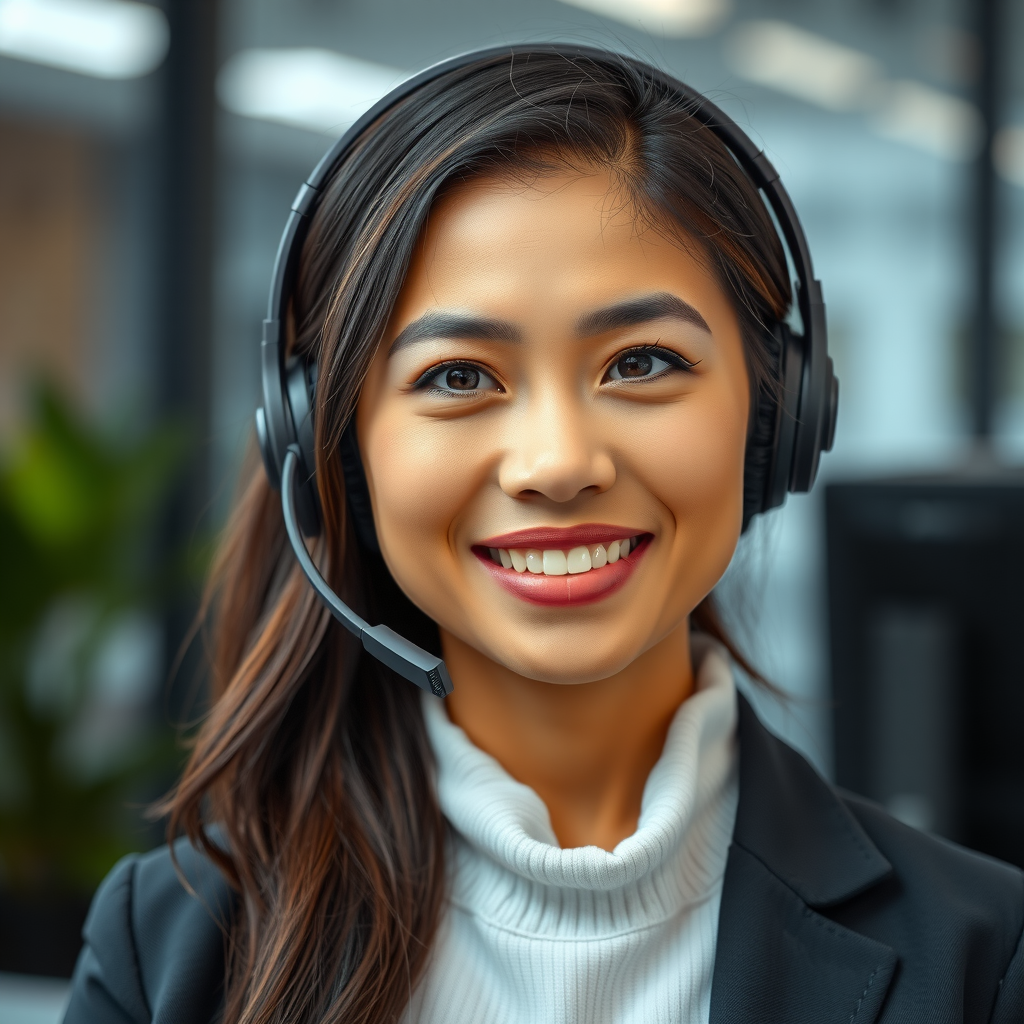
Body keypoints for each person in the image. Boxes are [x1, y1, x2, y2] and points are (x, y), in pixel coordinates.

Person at [64, 48, 1022, 1024]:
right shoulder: (170, 949)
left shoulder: (981, 959)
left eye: (641, 362)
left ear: (777, 414)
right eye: (458, 377)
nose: (557, 463)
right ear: (332, 449)